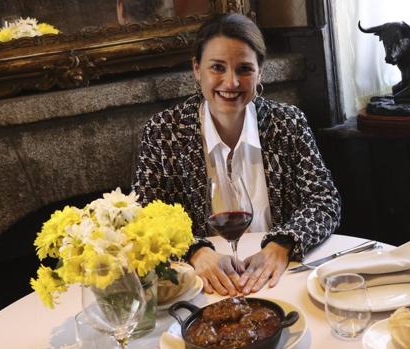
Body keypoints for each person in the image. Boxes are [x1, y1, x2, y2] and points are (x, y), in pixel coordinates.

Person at [132, 13, 341, 296]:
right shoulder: (163, 132)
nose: (231, 83)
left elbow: (325, 199)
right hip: (202, 287)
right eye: (217, 67)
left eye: (244, 69)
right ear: (197, 69)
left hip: (279, 279)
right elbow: (145, 215)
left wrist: (282, 243)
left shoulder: (288, 123)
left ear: (260, 72)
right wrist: (194, 251)